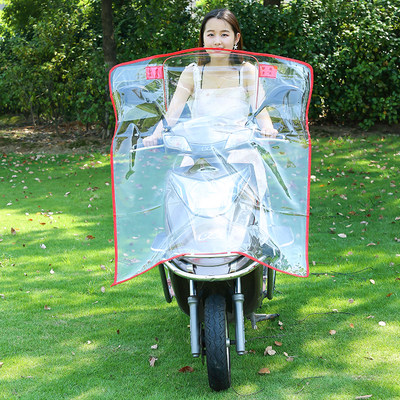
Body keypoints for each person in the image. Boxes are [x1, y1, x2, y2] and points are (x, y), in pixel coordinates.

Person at [143, 8, 278, 147]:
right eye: (211, 35)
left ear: (236, 38)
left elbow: (261, 110)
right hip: (199, 150)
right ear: (203, 38)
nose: (217, 41)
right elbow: (172, 114)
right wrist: (155, 135)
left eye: (224, 35)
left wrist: (268, 129)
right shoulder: (192, 73)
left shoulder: (246, 71)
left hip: (237, 148)